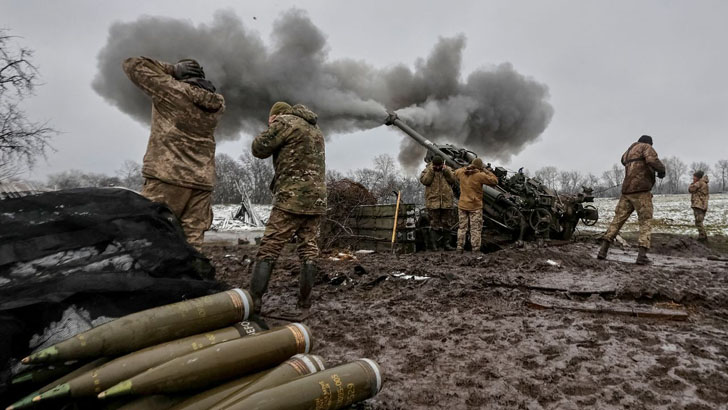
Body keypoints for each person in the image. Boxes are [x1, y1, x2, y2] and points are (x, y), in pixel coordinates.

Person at [123, 57, 225, 252]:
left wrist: (170, 69)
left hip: (168, 177)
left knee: (152, 236)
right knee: (193, 244)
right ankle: (191, 280)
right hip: (202, 181)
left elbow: (132, 64)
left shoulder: (172, 91)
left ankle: (156, 281)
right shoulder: (218, 104)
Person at [249, 102, 326, 313]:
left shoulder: (285, 122)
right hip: (316, 200)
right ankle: (304, 301)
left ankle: (253, 301)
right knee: (309, 250)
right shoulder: (315, 129)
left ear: (276, 114)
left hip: (291, 198)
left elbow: (258, 148)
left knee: (270, 248)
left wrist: (274, 124)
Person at [597, 135, 666, 264]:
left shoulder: (628, 151)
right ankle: (642, 256)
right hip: (642, 191)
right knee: (645, 222)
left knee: (617, 221)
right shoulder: (647, 147)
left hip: (627, 191)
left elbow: (623, 161)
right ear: (649, 143)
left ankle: (603, 251)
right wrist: (662, 170)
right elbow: (651, 160)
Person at [453, 158, 498, 253]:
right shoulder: (480, 176)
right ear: (480, 167)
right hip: (475, 206)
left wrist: (466, 167)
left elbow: (454, 173)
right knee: (475, 229)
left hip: (462, 205)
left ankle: (459, 248)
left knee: (462, 228)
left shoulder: (461, 172)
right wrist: (486, 171)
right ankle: (475, 250)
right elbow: (495, 181)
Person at [419, 155, 456, 250]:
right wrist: (431, 170)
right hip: (433, 202)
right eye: (436, 166)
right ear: (433, 164)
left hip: (446, 202)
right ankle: (434, 245)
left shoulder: (447, 169)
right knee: (434, 225)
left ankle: (446, 245)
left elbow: (453, 179)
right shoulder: (427, 170)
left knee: (447, 224)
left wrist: (446, 171)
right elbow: (425, 181)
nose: (438, 167)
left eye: (440, 165)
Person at [688, 170, 709, 242]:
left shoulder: (699, 183)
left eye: (694, 176)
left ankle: (702, 237)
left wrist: (692, 183)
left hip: (698, 205)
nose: (693, 178)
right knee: (700, 221)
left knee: (698, 221)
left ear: (697, 177)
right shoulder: (704, 183)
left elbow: (691, 189)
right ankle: (703, 235)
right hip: (703, 205)